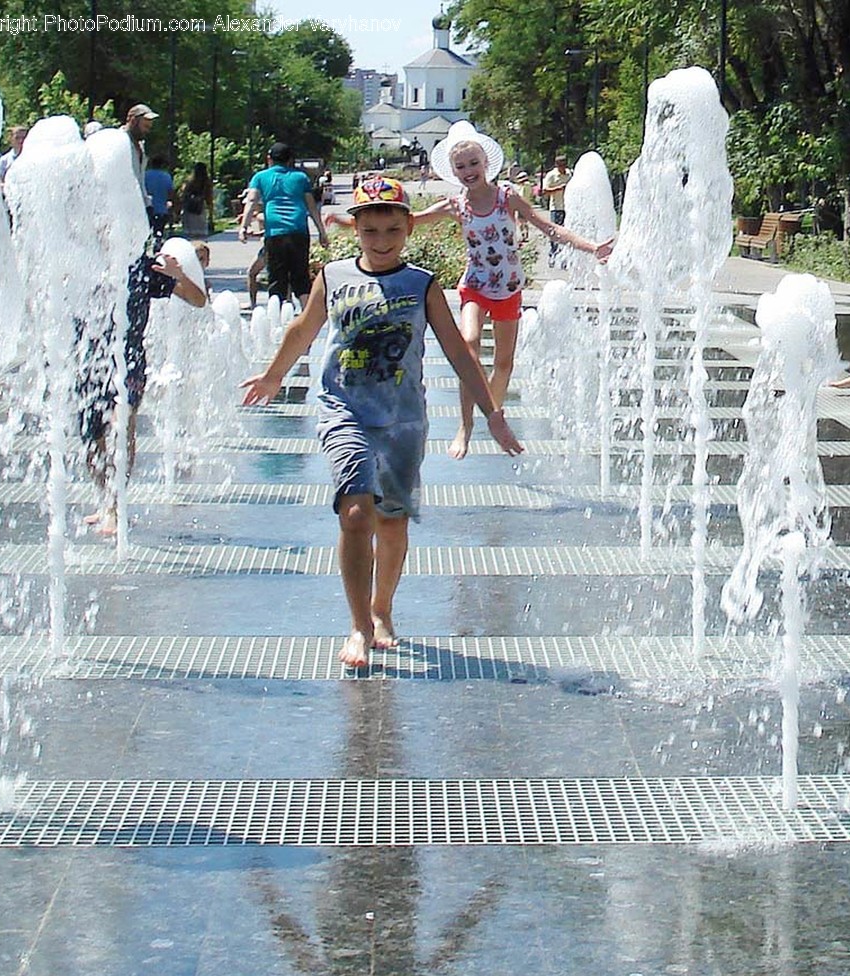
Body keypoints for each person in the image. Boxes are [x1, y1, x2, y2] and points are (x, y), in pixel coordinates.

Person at [239, 177, 523, 667]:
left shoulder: (421, 285)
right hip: (344, 409)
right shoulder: (333, 277)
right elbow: (303, 330)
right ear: (356, 229)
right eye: (371, 230)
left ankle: (382, 610)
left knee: (391, 522)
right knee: (354, 514)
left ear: (409, 228)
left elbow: (458, 351)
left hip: (401, 419)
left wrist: (491, 415)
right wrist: (272, 376)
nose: (383, 240)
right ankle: (357, 626)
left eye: (393, 229)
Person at [415, 121, 612, 459]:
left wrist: (591, 247)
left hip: (508, 289)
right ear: (453, 171)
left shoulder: (507, 197)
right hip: (474, 286)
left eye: (473, 163)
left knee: (504, 363)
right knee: (468, 346)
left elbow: (548, 227)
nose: (468, 171)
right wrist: (353, 222)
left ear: (486, 164)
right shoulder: (455, 205)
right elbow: (411, 220)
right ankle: (466, 426)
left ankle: (494, 416)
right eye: (461, 167)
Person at [79, 245, 207, 535]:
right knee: (91, 440)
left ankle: (115, 506)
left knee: (121, 425)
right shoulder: (80, 263)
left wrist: (179, 275)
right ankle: (104, 500)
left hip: (128, 362)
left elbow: (198, 299)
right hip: (85, 364)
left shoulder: (143, 268)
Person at [237, 142, 328, 308]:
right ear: (289, 160)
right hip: (298, 231)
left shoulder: (260, 177)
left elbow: (251, 201)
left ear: (269, 159)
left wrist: (244, 226)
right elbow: (312, 207)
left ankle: (276, 320)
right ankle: (306, 318)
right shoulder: (300, 178)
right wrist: (322, 232)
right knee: (300, 278)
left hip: (275, 233)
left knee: (277, 279)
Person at [121, 103, 159, 212]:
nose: (147, 131)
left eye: (149, 127)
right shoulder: (119, 142)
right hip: (121, 205)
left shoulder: (141, 146)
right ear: (133, 121)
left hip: (137, 206)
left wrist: (147, 204)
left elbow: (140, 179)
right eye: (145, 127)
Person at [542, 153, 572, 260]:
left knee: (567, 232)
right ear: (557, 165)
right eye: (560, 165)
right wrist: (558, 188)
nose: (563, 167)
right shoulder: (551, 175)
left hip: (568, 208)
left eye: (564, 165)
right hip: (556, 208)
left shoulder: (569, 174)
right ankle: (553, 253)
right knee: (555, 232)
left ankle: (564, 255)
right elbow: (545, 191)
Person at [144, 154, 174, 248]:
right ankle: (157, 245)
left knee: (146, 233)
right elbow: (171, 193)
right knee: (159, 231)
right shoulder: (166, 177)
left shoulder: (145, 175)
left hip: (147, 208)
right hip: (161, 209)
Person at [179, 161, 213, 238]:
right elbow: (209, 199)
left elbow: (182, 195)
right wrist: (210, 214)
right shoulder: (206, 182)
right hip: (200, 209)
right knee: (200, 235)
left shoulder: (189, 181)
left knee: (189, 234)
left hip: (189, 209)